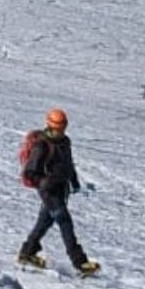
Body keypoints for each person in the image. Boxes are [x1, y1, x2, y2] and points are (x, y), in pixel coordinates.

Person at [18, 108, 100, 276]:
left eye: (62, 128)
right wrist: (44, 182)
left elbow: (68, 164)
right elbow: (29, 172)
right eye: (57, 129)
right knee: (65, 222)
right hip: (48, 192)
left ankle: (27, 252)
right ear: (49, 125)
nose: (60, 132)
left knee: (44, 222)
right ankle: (80, 262)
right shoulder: (41, 145)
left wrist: (74, 181)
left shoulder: (65, 142)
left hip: (61, 189)